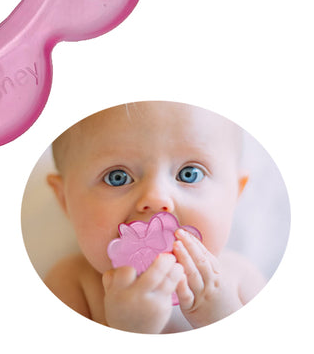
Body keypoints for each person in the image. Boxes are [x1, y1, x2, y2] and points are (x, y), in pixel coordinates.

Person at [44, 101, 265, 333]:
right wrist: (126, 329)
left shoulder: (240, 279)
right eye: (117, 177)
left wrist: (223, 317)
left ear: (235, 194)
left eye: (189, 174)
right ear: (65, 199)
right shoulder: (72, 285)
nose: (157, 198)